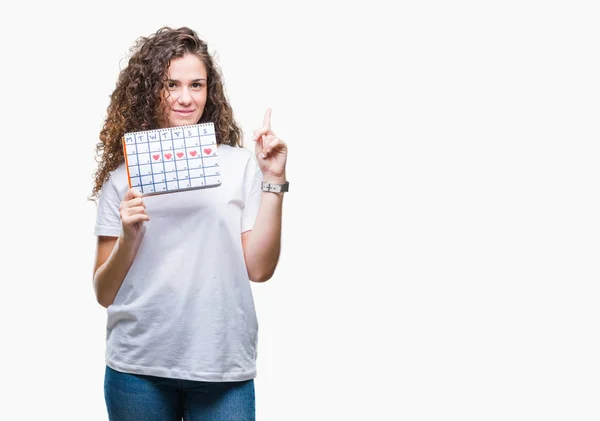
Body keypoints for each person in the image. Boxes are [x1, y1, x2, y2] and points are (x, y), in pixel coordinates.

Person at [90, 26, 288, 420]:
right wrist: (130, 238)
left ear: (209, 91)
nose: (185, 98)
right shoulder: (122, 176)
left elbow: (260, 269)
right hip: (138, 367)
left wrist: (274, 180)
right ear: (150, 90)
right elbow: (103, 292)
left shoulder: (239, 164)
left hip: (221, 362)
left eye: (196, 85)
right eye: (171, 85)